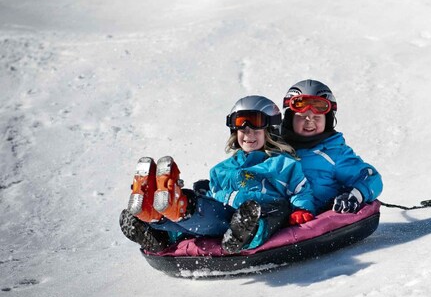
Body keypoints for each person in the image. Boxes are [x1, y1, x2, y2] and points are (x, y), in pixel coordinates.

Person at [119, 95, 316, 255]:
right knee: (200, 206)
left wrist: (301, 209)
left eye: (255, 126)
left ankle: (246, 234)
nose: (248, 133)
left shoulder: (283, 163)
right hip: (224, 216)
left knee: (276, 208)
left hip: (255, 215)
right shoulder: (221, 169)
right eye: (241, 126)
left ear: (271, 130)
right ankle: (156, 220)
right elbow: (214, 197)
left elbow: (300, 190)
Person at [279, 79, 383, 213]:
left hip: (317, 216)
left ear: (327, 121)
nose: (309, 122)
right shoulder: (276, 148)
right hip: (278, 213)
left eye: (317, 118)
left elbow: (370, 177)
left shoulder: (335, 153)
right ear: (289, 118)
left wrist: (355, 195)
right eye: (302, 116)